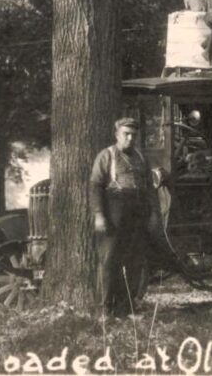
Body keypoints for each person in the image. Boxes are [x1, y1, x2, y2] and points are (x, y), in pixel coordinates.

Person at [90, 117, 160, 317]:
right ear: (116, 135)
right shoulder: (106, 156)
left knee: (134, 261)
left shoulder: (140, 157)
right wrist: (99, 215)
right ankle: (103, 310)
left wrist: (154, 213)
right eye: (125, 134)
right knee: (108, 260)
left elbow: (149, 189)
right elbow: (95, 187)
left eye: (133, 135)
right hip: (114, 210)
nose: (130, 138)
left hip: (137, 211)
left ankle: (125, 308)